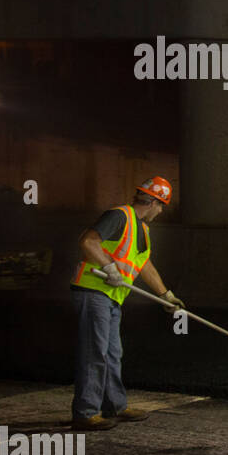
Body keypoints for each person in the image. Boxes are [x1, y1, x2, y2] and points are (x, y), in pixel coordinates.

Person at [69, 176, 183, 430]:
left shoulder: (141, 229)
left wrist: (166, 295)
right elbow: (88, 241)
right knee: (94, 353)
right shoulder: (119, 215)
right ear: (152, 201)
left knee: (112, 354)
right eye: (161, 205)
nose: (162, 210)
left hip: (111, 298)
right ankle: (85, 413)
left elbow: (144, 265)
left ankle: (115, 406)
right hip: (93, 291)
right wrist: (109, 267)